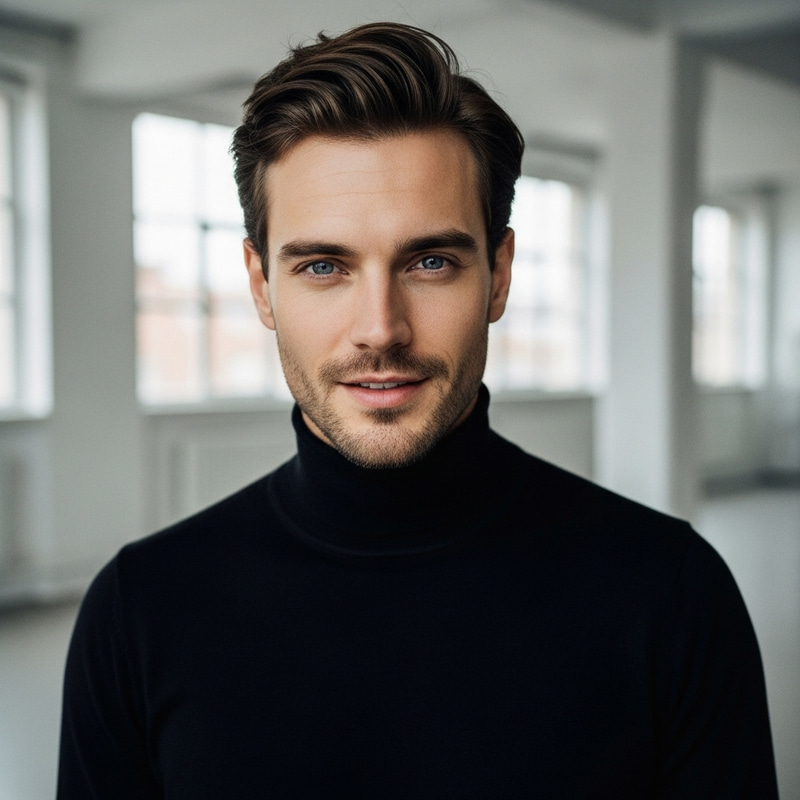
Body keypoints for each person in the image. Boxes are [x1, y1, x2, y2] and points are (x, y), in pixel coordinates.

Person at [57, 21, 778, 798]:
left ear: (498, 275)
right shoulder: (139, 613)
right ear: (262, 285)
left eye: (430, 261)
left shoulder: (670, 597)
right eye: (324, 265)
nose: (381, 328)